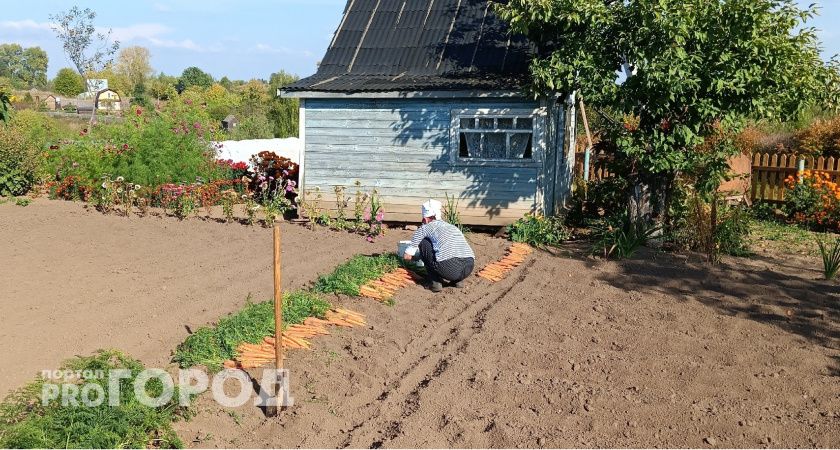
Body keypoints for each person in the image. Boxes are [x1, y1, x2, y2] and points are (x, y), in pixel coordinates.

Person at [402, 199, 475, 292]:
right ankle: (458, 281)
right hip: (468, 267)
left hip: (449, 269)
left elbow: (407, 256)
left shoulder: (424, 228)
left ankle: (435, 283)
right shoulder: (452, 227)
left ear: (425, 219)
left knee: (423, 242)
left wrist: (415, 259)